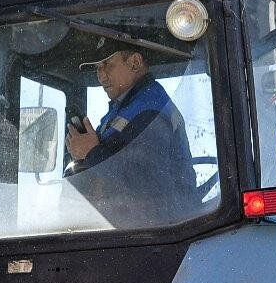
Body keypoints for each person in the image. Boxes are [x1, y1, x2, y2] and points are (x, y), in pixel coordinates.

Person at [65, 47, 194, 200]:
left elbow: (146, 183)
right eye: (97, 68)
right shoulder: (126, 108)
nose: (101, 76)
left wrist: (91, 153)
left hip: (161, 221)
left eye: (107, 64)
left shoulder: (151, 111)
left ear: (135, 63)